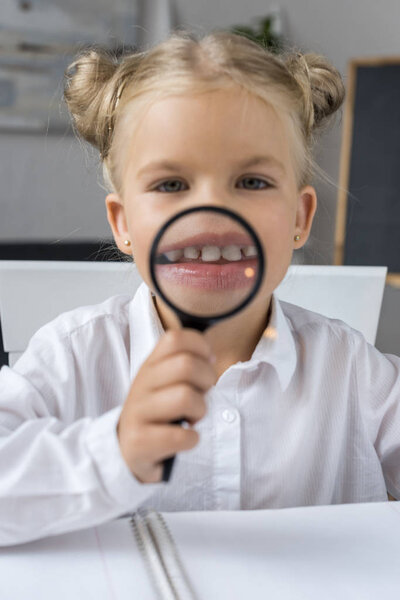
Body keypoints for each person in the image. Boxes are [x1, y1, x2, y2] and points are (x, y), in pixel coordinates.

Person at [0, 29, 399, 547]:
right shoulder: (72, 357)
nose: (212, 211)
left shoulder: (354, 373)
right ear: (123, 225)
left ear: (299, 219)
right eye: (171, 185)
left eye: (252, 182)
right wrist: (114, 451)